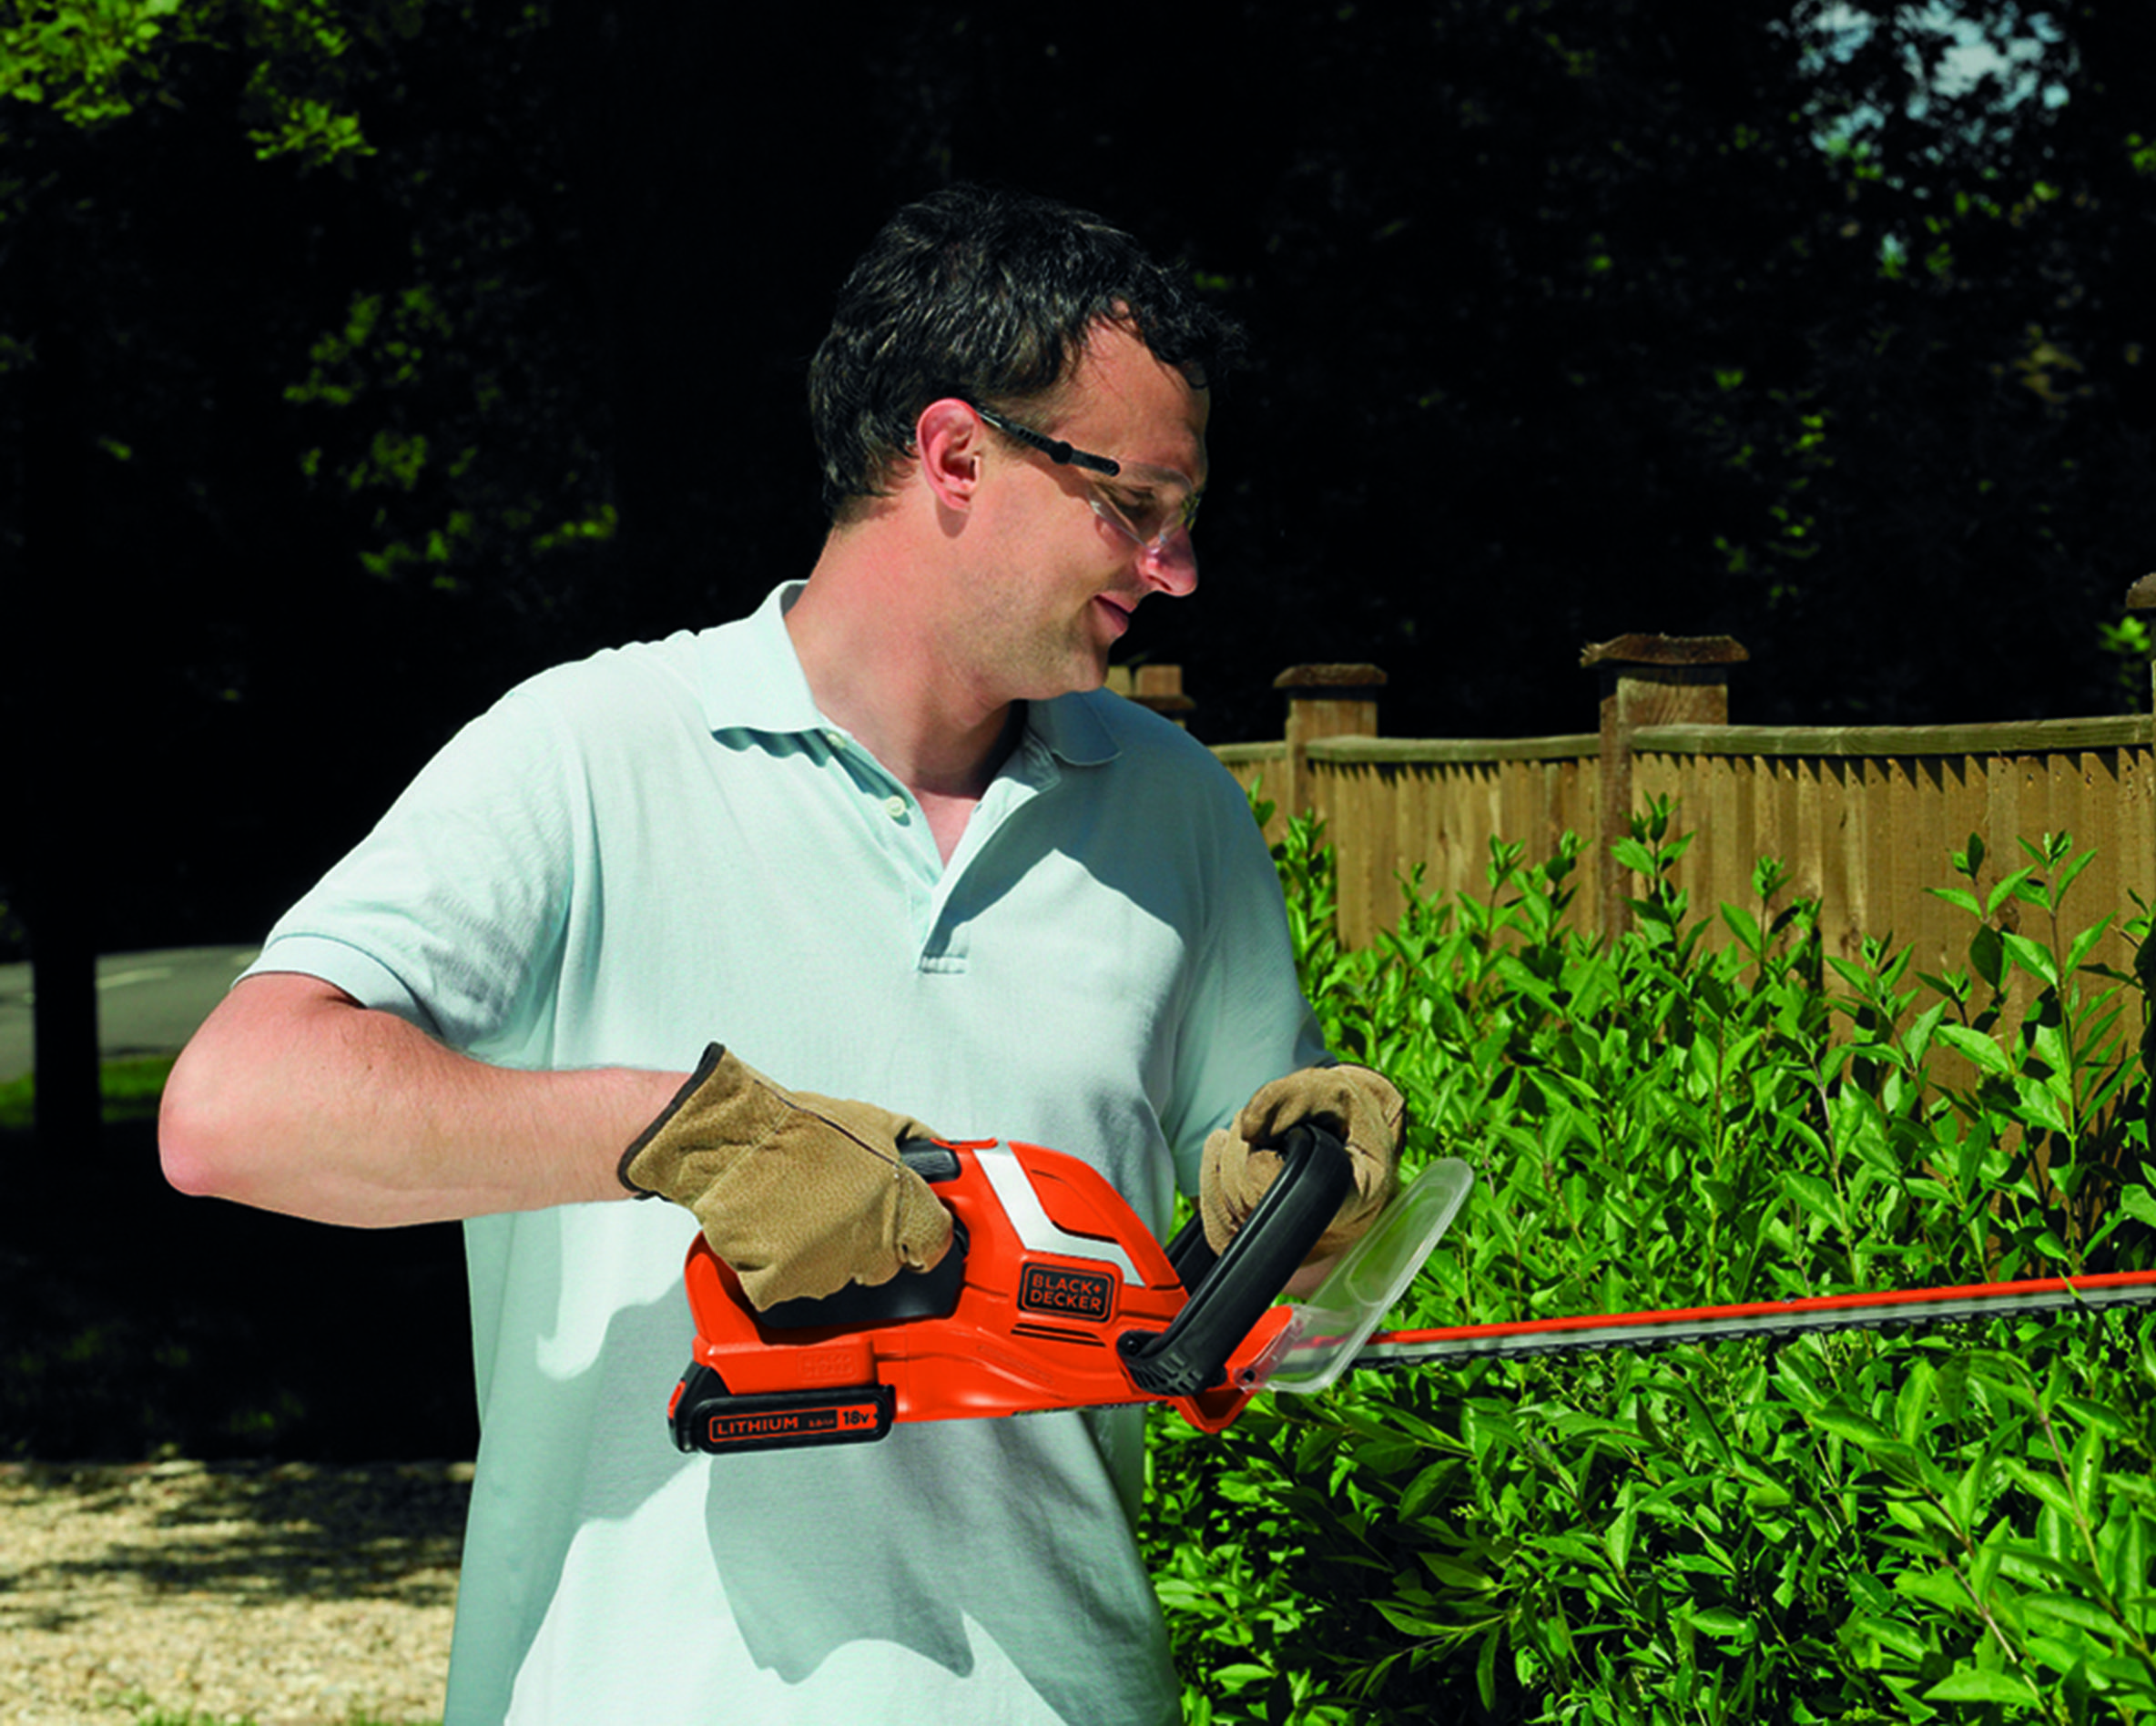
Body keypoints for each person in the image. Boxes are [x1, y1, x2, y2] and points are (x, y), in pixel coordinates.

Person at [158, 183, 1407, 1725]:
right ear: (956, 456)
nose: (1177, 570)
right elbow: (236, 1109)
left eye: (1186, 518)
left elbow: (1244, 1274)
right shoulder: (592, 752)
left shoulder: (1177, 815)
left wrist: (1293, 1202)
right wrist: (687, 1138)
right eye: (1137, 507)